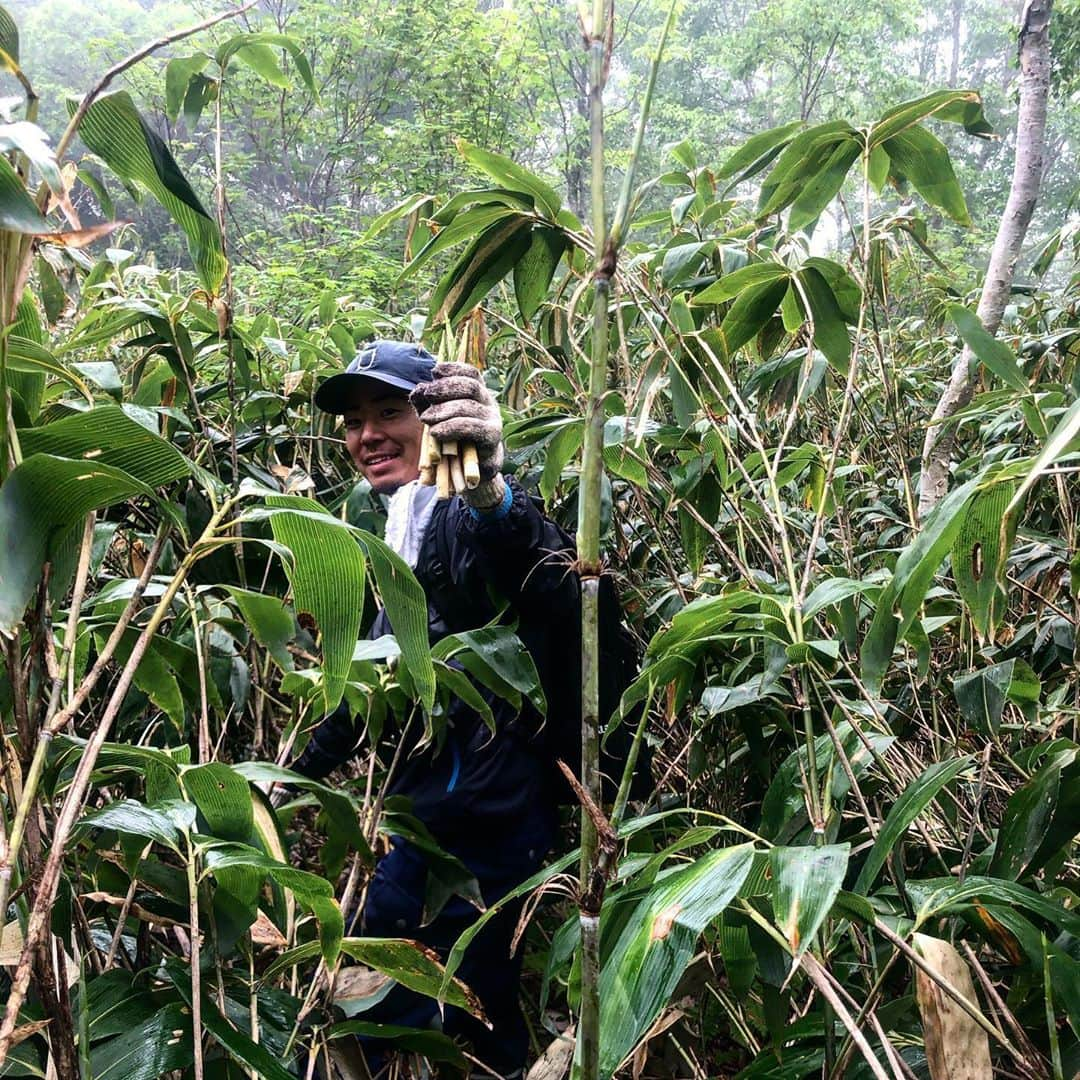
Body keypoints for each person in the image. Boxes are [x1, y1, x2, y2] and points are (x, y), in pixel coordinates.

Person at [292, 340, 581, 1079]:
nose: (367, 436)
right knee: (476, 1000)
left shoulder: (457, 513)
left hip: (476, 822)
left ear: (441, 425)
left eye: (391, 411)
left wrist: (491, 492)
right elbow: (386, 684)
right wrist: (291, 776)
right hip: (443, 811)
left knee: (379, 994)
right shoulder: (400, 527)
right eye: (354, 421)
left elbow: (536, 562)